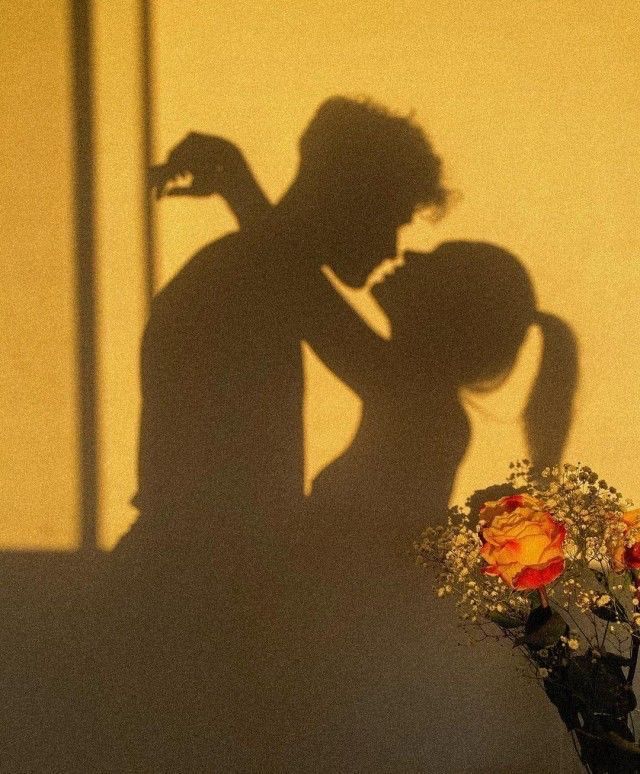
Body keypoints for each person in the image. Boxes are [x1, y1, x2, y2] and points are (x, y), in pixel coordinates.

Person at [172, 143, 581, 770]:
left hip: (329, 655)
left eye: (437, 261)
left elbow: (306, 296)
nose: (407, 253)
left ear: (449, 313)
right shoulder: (420, 402)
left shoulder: (415, 401)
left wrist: (239, 184)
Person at [91, 97, 449, 772]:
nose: (393, 247)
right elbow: (387, 380)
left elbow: (293, 274)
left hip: (185, 595)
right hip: (198, 609)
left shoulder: (248, 271)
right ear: (352, 199)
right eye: (392, 218)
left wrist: (243, 188)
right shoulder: (250, 278)